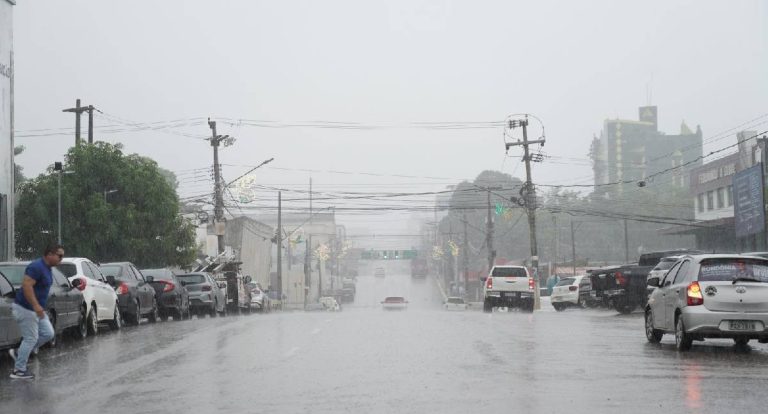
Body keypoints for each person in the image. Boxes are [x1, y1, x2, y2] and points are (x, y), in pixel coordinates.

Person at [8, 244, 63, 380]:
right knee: (31, 338)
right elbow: (27, 286)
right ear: (49, 254)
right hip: (26, 308)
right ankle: (19, 370)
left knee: (48, 333)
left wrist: (38, 307)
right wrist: (36, 305)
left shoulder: (48, 268)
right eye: (59, 256)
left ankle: (18, 352)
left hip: (37, 309)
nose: (61, 259)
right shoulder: (36, 267)